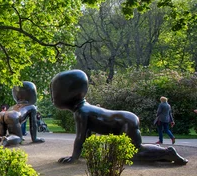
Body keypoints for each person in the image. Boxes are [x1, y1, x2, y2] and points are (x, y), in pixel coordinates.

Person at [50, 70, 187, 165]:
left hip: (125, 122)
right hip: (125, 118)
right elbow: (87, 135)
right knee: (133, 151)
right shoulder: (84, 109)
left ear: (68, 94)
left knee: (133, 153)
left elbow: (80, 137)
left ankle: (167, 153)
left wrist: (74, 158)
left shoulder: (82, 112)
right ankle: (163, 155)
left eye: (54, 92)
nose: (52, 97)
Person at [0, 81, 45, 146]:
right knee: (18, 137)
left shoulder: (13, 107)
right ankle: (7, 140)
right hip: (13, 115)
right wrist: (35, 138)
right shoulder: (31, 107)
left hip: (1, 114)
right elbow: (33, 125)